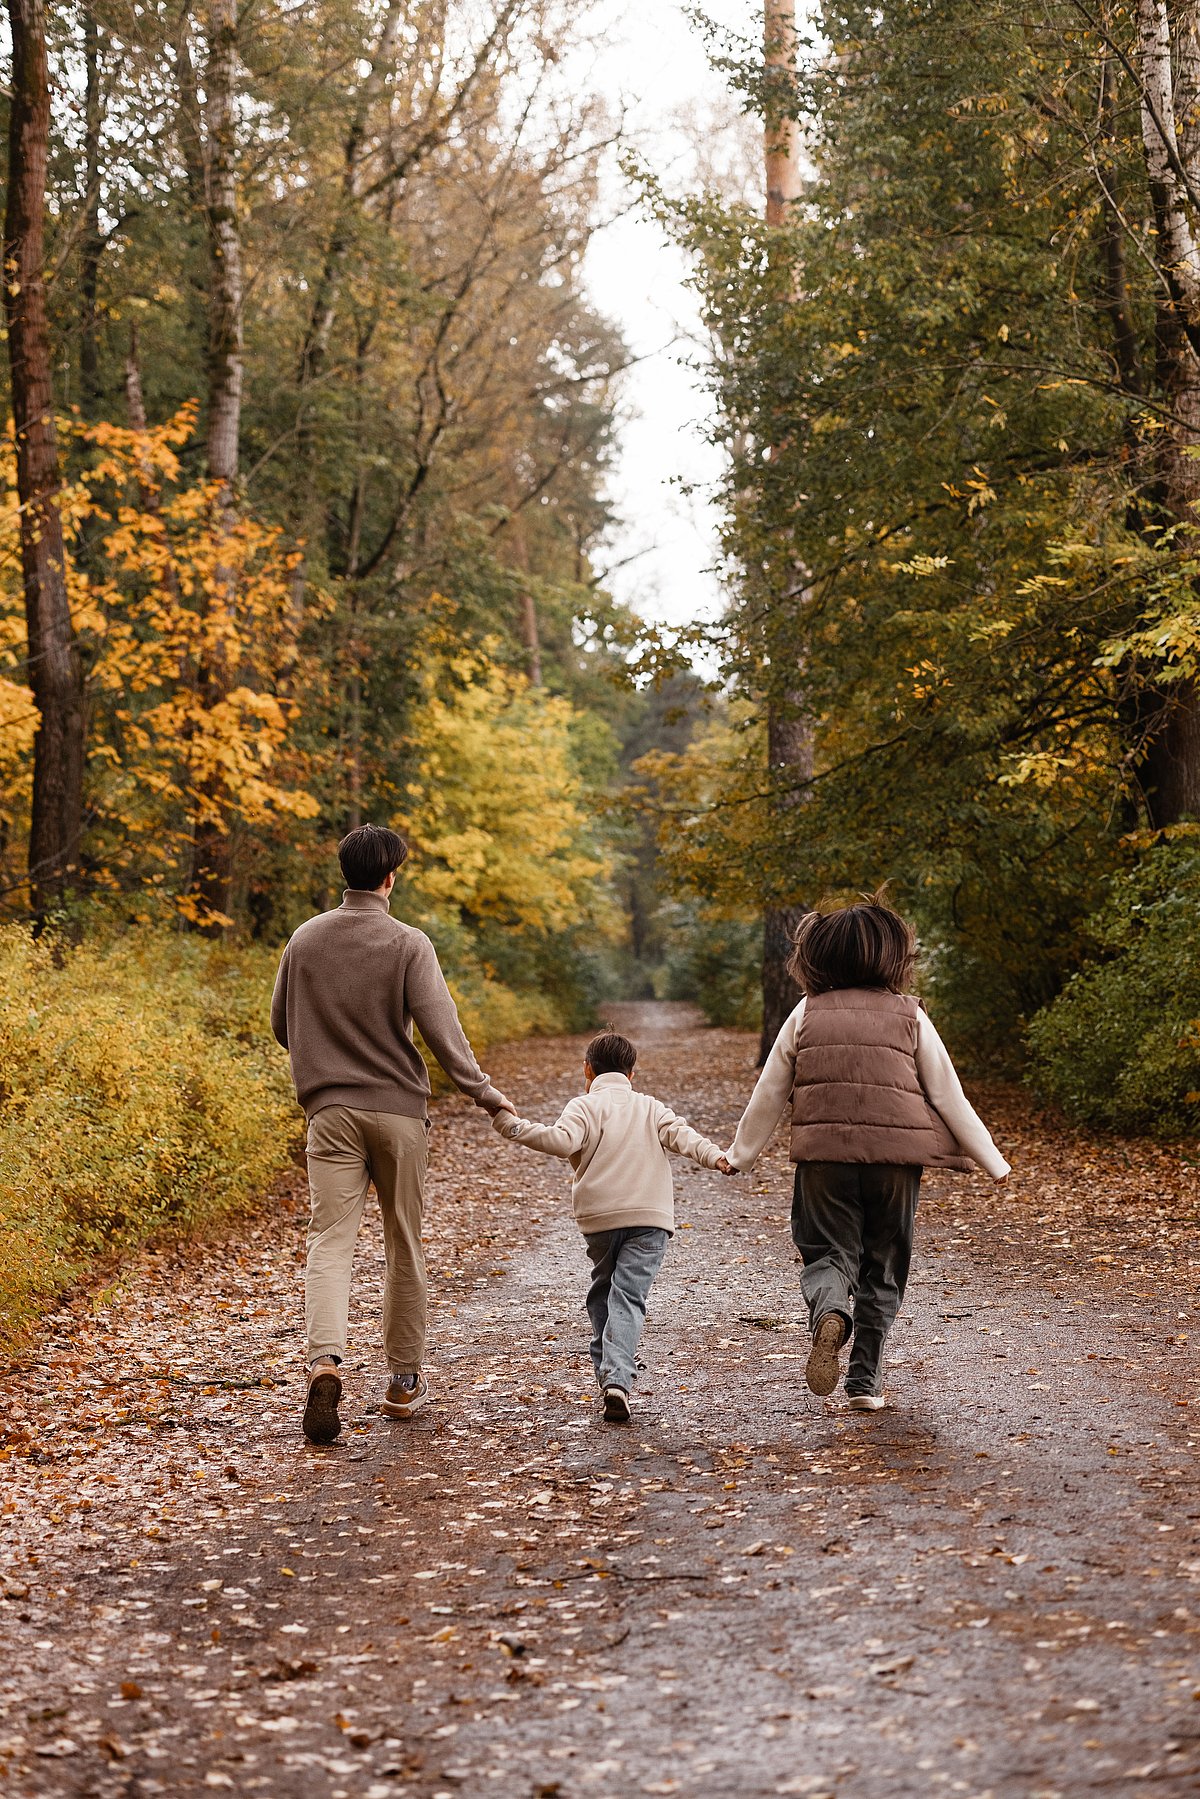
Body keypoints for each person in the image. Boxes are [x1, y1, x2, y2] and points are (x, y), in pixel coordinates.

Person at [271, 823, 515, 1445]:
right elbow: (442, 1033)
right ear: (390, 877)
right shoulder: (409, 943)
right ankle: (403, 1382)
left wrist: (325, 1051)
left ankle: (324, 1362)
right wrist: (485, 1094)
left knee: (329, 1241)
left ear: (345, 873)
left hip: (329, 1113)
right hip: (399, 1115)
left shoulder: (304, 940)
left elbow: (282, 1026)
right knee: (403, 1241)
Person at [725, 892, 1009, 1410]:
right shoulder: (910, 1016)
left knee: (828, 1251)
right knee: (883, 1264)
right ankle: (863, 1383)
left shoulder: (805, 1012)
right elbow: (947, 1093)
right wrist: (992, 1159)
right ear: (892, 955)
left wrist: (741, 1155)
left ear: (819, 956)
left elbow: (769, 1091)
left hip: (823, 1160)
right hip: (896, 1164)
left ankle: (832, 1311)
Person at [493, 1030, 734, 1421]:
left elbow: (559, 1141)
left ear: (587, 1069)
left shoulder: (584, 1107)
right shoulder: (650, 1107)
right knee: (628, 1296)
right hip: (649, 1219)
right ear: (632, 1073)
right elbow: (684, 1136)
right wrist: (718, 1157)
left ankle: (612, 1377)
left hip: (601, 1220)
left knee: (604, 1292)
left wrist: (512, 1126)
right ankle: (617, 1380)